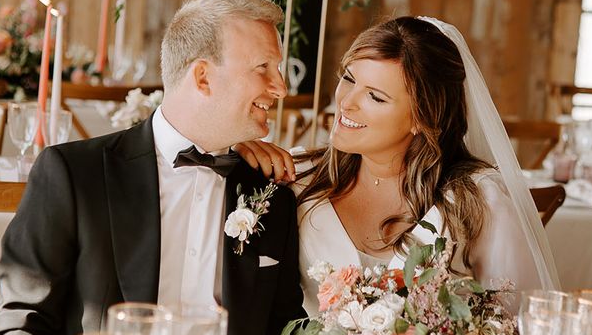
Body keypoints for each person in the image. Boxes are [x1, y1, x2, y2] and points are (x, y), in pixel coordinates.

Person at [0, 0, 305, 335]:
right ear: (204, 78)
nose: (280, 87)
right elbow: (20, 321)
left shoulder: (270, 192)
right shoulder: (75, 174)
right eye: (263, 68)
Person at [238, 16, 559, 315]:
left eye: (375, 97)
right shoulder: (297, 177)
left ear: (422, 116)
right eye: (349, 78)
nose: (347, 102)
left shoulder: (477, 201)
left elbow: (516, 329)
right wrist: (234, 154)